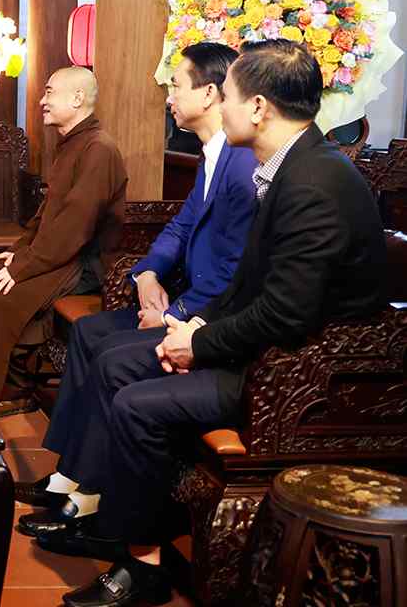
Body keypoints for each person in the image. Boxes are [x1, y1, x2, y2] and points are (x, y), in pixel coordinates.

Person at [39, 40, 386, 607]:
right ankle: (112, 520)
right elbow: (251, 286)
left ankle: (141, 564)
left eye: (226, 96)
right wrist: (190, 330)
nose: (219, 108)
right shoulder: (290, 166)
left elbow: (287, 311)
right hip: (274, 353)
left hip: (301, 377)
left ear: (258, 108)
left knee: (136, 403)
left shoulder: (314, 183)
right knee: (120, 359)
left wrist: (199, 340)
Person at [18, 43, 258, 531]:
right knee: (88, 333)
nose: (167, 96)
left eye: (174, 85)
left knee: (110, 352)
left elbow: (234, 268)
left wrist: (177, 315)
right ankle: (69, 474)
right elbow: (179, 228)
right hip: (182, 299)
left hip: (207, 317)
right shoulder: (211, 155)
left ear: (211, 94)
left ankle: (90, 492)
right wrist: (146, 273)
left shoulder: (239, 163)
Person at [0, 66, 127, 414]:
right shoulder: (72, 144)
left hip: (82, 263)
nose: (42, 101)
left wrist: (23, 269)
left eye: (49, 93)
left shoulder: (98, 149)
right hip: (55, 253)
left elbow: (75, 227)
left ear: (77, 98)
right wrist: (15, 254)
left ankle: (1, 392)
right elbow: (45, 216)